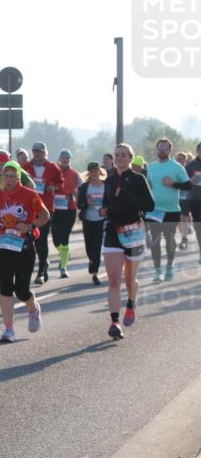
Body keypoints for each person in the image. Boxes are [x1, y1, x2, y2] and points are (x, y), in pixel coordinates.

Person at [0, 161, 50, 342]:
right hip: (4, 247)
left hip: (24, 246)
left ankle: (33, 308)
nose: (8, 179)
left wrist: (29, 225)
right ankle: (9, 330)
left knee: (21, 291)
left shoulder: (29, 195)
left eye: (12, 176)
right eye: (5, 176)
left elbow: (45, 216)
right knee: (6, 288)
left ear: (18, 177)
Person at [100, 143, 154, 340]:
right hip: (113, 232)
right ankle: (115, 322)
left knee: (130, 280)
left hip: (133, 233)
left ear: (130, 158)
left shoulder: (138, 179)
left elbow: (149, 205)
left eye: (124, 155)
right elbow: (107, 203)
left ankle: (131, 303)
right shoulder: (110, 179)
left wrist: (126, 196)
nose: (120, 158)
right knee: (114, 280)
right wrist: (103, 210)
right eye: (117, 155)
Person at [145, 137, 192, 282]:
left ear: (170, 150)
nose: (162, 151)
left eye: (165, 148)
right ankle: (157, 271)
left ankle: (170, 267)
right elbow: (148, 185)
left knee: (169, 240)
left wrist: (173, 183)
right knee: (155, 241)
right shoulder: (151, 166)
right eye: (159, 148)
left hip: (171, 210)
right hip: (155, 210)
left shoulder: (177, 167)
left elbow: (188, 186)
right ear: (156, 149)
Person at [22, 142, 64, 285]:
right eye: (35, 151)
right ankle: (36, 266)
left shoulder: (53, 167)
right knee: (30, 240)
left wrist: (53, 186)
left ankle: (41, 271)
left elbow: (60, 183)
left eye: (39, 151)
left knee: (42, 239)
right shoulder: (25, 167)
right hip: (29, 208)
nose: (37, 154)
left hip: (45, 208)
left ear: (45, 152)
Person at [76, 162, 108, 285]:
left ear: (100, 172)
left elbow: (110, 201)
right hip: (88, 220)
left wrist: (106, 209)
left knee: (97, 246)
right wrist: (86, 204)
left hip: (102, 221)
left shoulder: (106, 186)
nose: (94, 173)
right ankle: (92, 261)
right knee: (89, 246)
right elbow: (79, 204)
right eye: (91, 171)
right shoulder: (84, 187)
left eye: (96, 170)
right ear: (88, 172)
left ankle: (94, 272)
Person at [53, 149, 80, 278]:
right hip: (55, 209)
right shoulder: (54, 172)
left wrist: (75, 194)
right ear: (59, 159)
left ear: (70, 160)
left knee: (65, 238)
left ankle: (63, 267)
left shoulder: (74, 174)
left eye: (67, 158)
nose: (65, 160)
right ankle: (64, 253)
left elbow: (82, 188)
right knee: (55, 240)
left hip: (70, 209)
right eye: (63, 157)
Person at [186, 143, 201, 264]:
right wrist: (190, 180)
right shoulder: (190, 165)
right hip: (195, 200)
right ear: (197, 151)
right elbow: (184, 181)